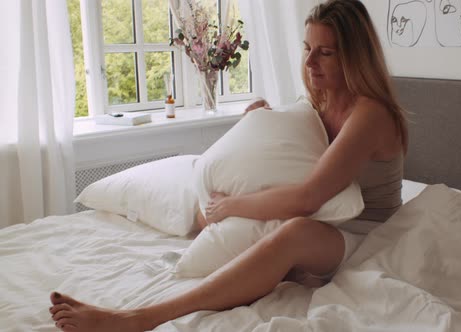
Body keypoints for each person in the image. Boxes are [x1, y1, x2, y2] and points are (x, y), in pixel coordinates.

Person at [48, 0, 409, 330]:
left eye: (325, 52)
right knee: (226, 214)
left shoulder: (370, 115)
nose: (310, 62)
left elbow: (308, 198)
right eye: (307, 49)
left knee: (293, 230)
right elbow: (291, 162)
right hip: (327, 225)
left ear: (354, 58)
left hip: (367, 236)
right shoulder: (316, 102)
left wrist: (231, 205)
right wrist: (265, 123)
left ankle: (140, 317)